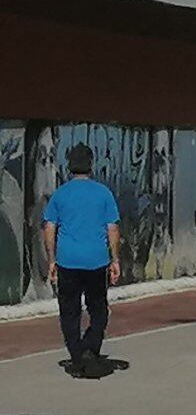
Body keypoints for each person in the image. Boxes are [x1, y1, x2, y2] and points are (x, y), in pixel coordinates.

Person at [43, 144, 121, 378]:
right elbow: (113, 228)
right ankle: (90, 347)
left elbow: (49, 227)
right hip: (97, 261)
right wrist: (115, 259)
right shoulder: (103, 193)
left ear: (69, 166)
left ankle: (77, 356)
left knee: (69, 311)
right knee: (99, 309)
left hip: (68, 260)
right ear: (91, 165)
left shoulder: (61, 194)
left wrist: (51, 260)